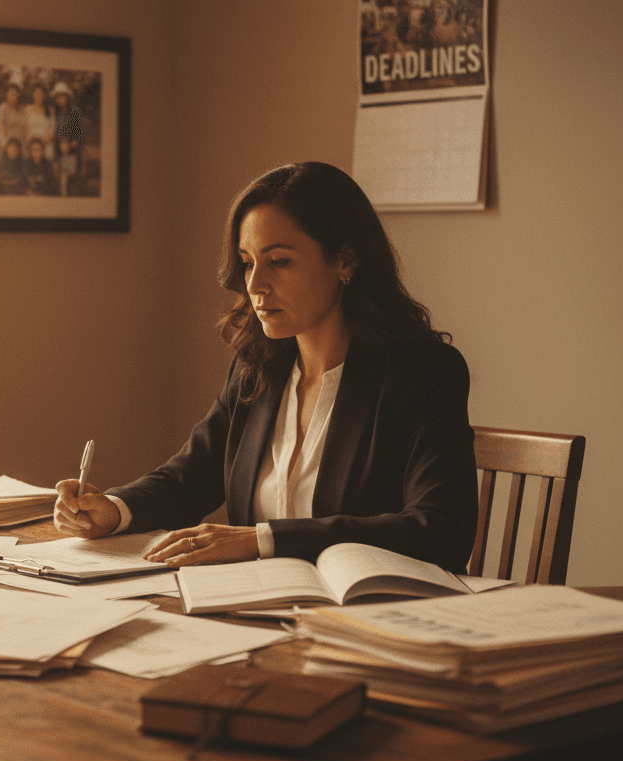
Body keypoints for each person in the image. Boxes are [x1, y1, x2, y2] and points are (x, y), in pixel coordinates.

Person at [53, 162, 477, 572]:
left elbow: (440, 530)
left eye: (279, 261)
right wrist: (114, 510)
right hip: (259, 610)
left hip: (366, 619)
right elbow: (189, 477)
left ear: (346, 261)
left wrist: (263, 540)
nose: (254, 285)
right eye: (248, 262)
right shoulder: (258, 367)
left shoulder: (424, 373)